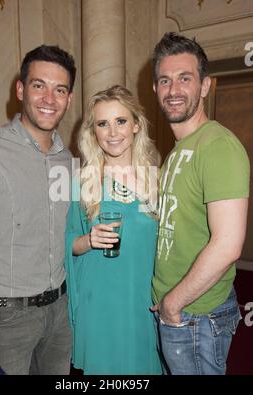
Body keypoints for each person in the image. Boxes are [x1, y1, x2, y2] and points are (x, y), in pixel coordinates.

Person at [0, 45, 76, 375]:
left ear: (69, 98)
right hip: (3, 320)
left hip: (60, 313)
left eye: (59, 89)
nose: (49, 99)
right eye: (39, 85)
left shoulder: (69, 161)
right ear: (20, 89)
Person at [151, 32, 250, 375]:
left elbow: (228, 244)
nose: (173, 89)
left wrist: (173, 304)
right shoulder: (178, 152)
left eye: (185, 78)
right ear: (155, 90)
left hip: (196, 316)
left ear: (205, 86)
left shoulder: (218, 146)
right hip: (179, 313)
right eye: (165, 80)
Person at [65, 85, 162, 375]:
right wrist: (89, 239)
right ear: (93, 132)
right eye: (102, 124)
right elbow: (67, 244)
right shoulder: (82, 182)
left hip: (143, 305)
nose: (112, 132)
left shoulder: (157, 180)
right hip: (100, 308)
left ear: (136, 125)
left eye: (120, 121)